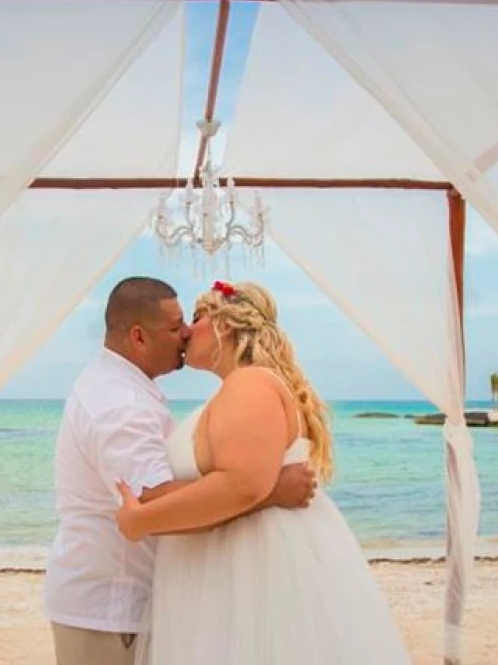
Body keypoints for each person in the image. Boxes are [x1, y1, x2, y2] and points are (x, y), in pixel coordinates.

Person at [116, 280, 411, 665]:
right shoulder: (238, 389)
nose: (187, 330)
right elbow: (240, 482)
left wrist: (142, 520)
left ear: (224, 325)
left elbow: (241, 485)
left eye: (197, 317)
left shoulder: (250, 384)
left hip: (251, 571)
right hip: (224, 572)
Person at [43, 277, 317, 665]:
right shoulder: (120, 403)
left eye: (189, 321)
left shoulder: (128, 389)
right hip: (111, 613)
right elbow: (152, 504)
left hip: (128, 607)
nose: (186, 332)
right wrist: (269, 490)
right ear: (138, 337)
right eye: (174, 327)